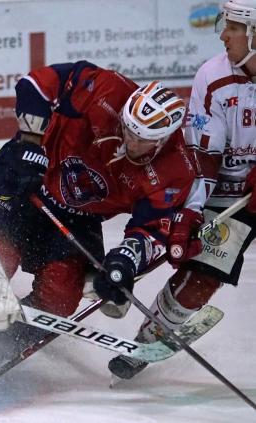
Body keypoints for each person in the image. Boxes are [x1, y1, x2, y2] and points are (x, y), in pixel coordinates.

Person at [0, 61, 196, 322]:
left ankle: (2, 342)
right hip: (28, 173)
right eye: (127, 129)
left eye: (141, 139)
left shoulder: (174, 170)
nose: (129, 141)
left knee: (60, 294)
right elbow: (34, 85)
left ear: (164, 139)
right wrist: (31, 144)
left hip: (77, 216)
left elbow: (151, 229)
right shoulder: (106, 89)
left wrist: (125, 260)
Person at [109, 0, 256, 379]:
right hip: (229, 195)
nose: (224, 34)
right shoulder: (213, 76)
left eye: (235, 27)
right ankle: (148, 341)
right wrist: (190, 211)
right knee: (201, 272)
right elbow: (203, 157)